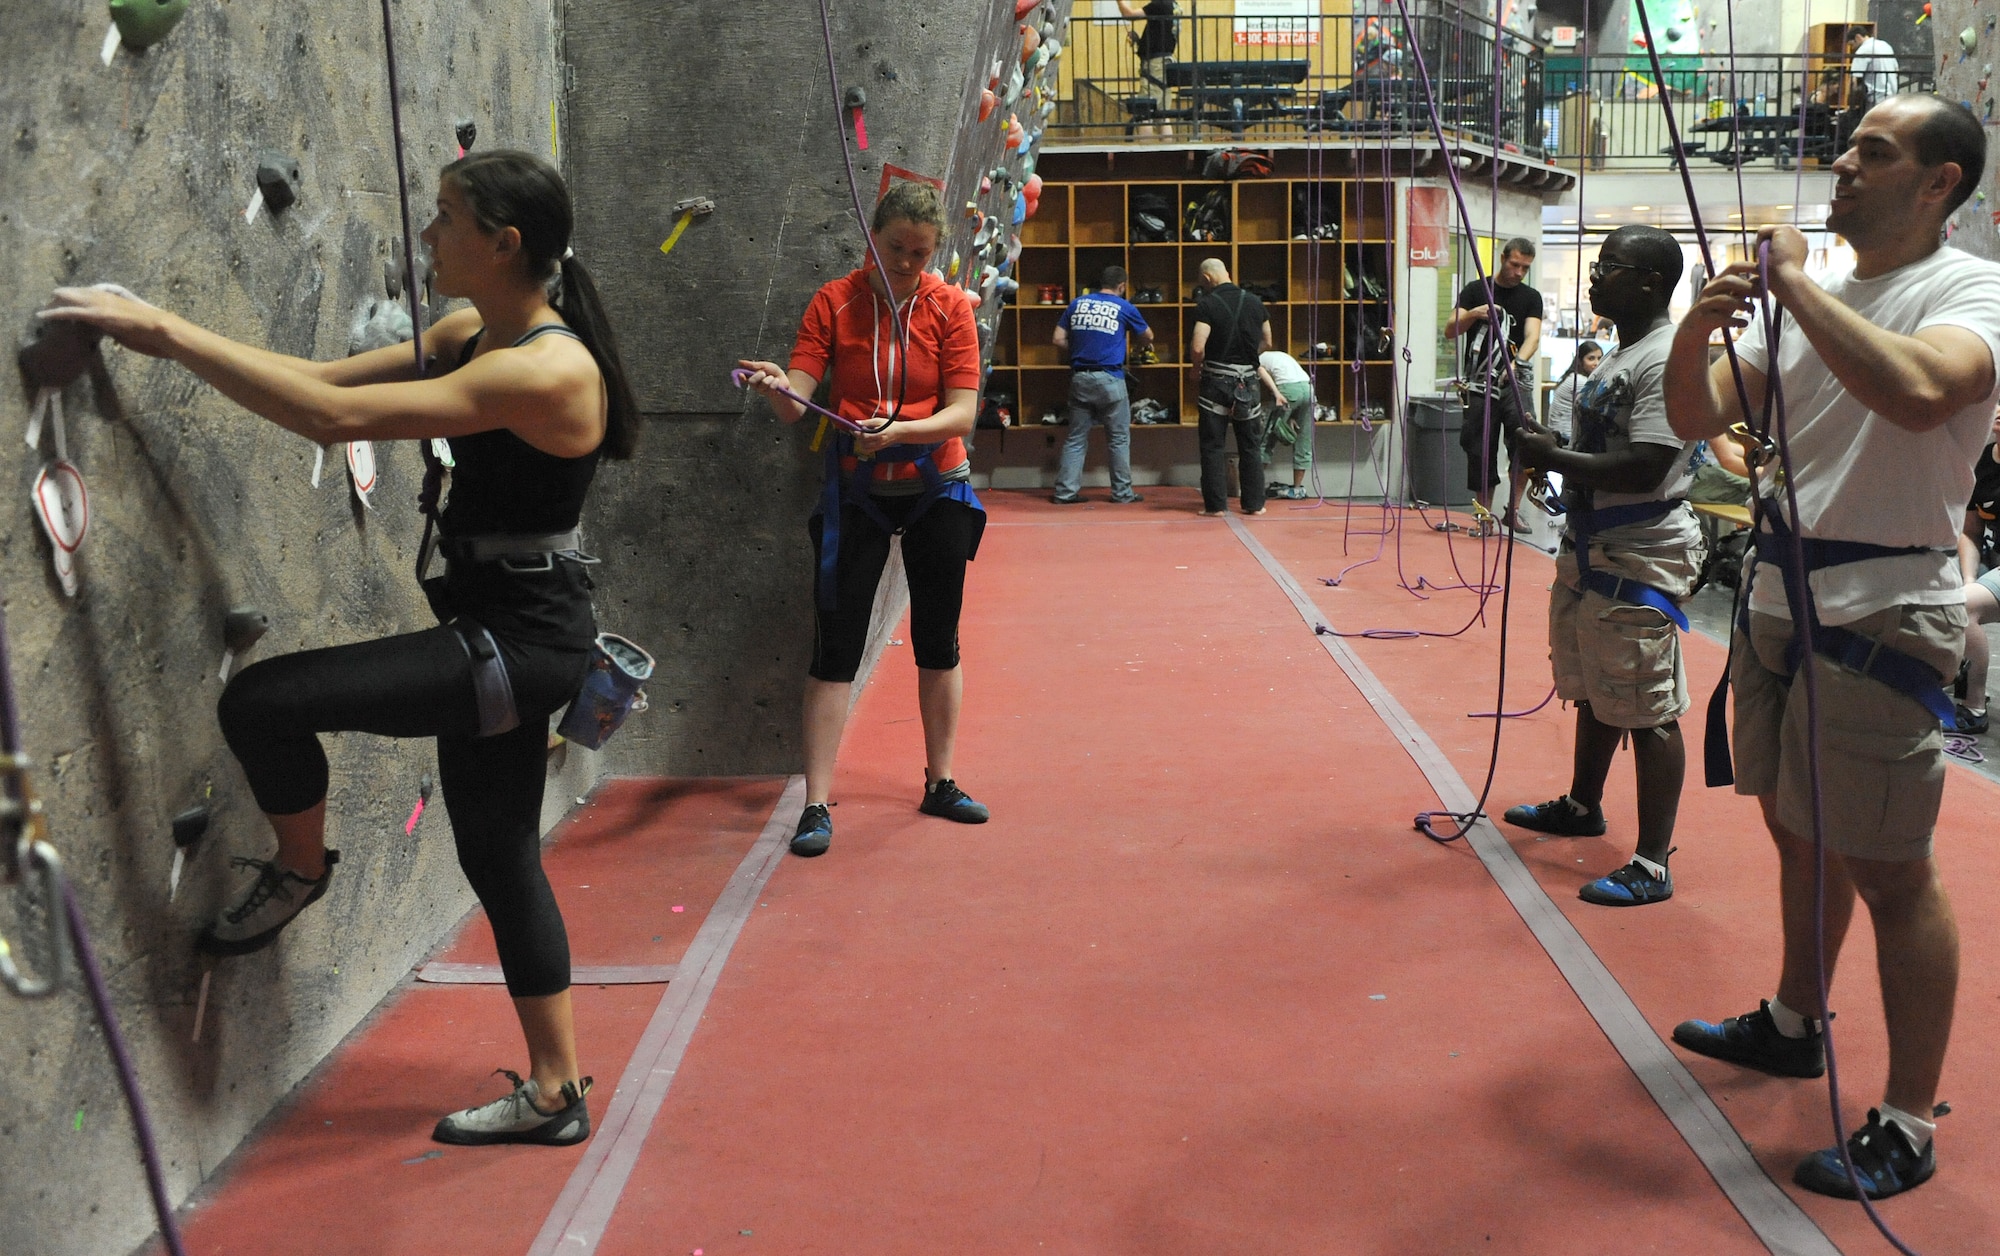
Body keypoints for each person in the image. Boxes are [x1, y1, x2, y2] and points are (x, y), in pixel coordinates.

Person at [41, 150, 640, 1147]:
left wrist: (162, 332)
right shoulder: (471, 330)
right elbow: (321, 382)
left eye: (446, 218)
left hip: (517, 641)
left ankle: (299, 865)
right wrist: (171, 337)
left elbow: (328, 419)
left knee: (264, 702)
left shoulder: (547, 368)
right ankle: (554, 1090)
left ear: (503, 244)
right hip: (504, 624)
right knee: (497, 854)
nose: (427, 233)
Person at [1663, 96, 2000, 1200]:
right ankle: (1794, 1017)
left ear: (1938, 181)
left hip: (1880, 607)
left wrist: (1794, 284)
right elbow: (1688, 417)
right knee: (1798, 827)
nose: (1842, 164)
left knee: (1891, 867)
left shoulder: (1967, 289)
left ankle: (1906, 1116)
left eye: (1874, 152)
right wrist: (1695, 326)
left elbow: (1917, 392)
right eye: (1847, 147)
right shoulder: (1802, 304)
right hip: (1779, 590)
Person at [737, 181, 989, 860]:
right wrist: (778, 388)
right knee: (836, 646)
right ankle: (816, 802)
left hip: (938, 486)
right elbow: (799, 402)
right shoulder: (835, 302)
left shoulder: (948, 309)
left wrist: (901, 429)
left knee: (940, 638)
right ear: (872, 237)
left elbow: (963, 411)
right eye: (897, 249)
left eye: (921, 253)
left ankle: (941, 780)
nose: (907, 263)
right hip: (858, 492)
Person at [1508, 226, 1703, 908]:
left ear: (1650, 280)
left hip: (1638, 550)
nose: (1595, 278)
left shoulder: (1670, 357)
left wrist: (1555, 459)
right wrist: (1547, 445)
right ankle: (1583, 804)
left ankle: (1652, 863)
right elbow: (1609, 445)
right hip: (1593, 546)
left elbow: (1649, 463)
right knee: (1592, 682)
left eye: (1609, 267)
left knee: (1647, 705)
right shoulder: (1626, 354)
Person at [1445, 238, 1544, 533]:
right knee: (1480, 448)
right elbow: (1451, 329)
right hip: (1479, 382)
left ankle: (1512, 510)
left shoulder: (1531, 297)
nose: (1519, 272)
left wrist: (1515, 365)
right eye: (1515, 265)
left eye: (1525, 268)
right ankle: (1483, 514)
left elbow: (1533, 337)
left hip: (1515, 383)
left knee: (1525, 443)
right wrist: (1474, 313)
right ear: (1502, 258)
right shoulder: (1477, 290)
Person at [1051, 265, 1153, 504]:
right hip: (1110, 378)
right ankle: (1122, 493)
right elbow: (1149, 335)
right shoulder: (1124, 306)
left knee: (1076, 438)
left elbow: (1057, 338)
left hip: (1080, 377)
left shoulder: (1077, 303)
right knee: (1118, 439)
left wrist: (1080, 350)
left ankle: (1065, 492)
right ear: (1122, 286)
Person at [1189, 257, 1272, 517]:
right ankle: (1255, 504)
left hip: (1216, 381)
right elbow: (1268, 340)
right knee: (1250, 445)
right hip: (1248, 382)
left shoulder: (1207, 304)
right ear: (1227, 273)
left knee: (1213, 445)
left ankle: (1215, 506)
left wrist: (1195, 368)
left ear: (1206, 279)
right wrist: (1249, 358)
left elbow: (1198, 346)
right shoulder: (1255, 302)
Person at [1953, 403, 2000, 733]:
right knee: (1945, 589)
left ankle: (1974, 708)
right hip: (1991, 563)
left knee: (1961, 604)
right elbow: (1970, 531)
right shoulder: (1982, 462)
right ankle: (1954, 670)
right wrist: (1968, 578)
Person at [1258, 347, 1315, 499]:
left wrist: (1277, 393)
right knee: (1304, 439)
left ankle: (1254, 485)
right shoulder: (1280, 355)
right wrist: (1291, 416)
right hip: (1308, 389)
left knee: (1266, 439)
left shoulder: (1258, 358)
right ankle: (1297, 488)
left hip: (1288, 390)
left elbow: (1261, 371)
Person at [1120, 0, 1178, 140]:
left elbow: (1130, 15)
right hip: (1165, 61)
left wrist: (1119, 2)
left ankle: (1146, 152)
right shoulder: (1174, 6)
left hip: (1154, 64)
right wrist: (1140, 42)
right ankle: (1168, 151)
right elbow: (1161, 37)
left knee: (1144, 111)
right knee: (1162, 112)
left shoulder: (1159, 4)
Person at [1542, 338, 1602, 442]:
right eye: (1591, 358)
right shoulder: (1579, 381)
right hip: (1565, 436)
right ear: (1580, 361)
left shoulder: (1572, 376)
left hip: (1558, 433)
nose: (1597, 363)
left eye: (1600, 358)